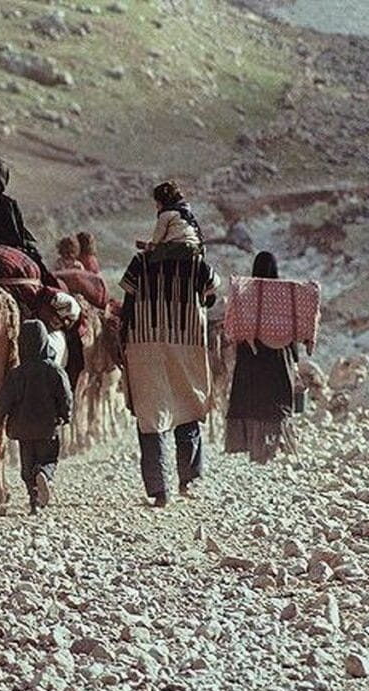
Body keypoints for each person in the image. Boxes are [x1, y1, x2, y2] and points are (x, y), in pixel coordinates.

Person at [120, 181, 219, 508]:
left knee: (151, 415)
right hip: (187, 342)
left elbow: (127, 304)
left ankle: (159, 489)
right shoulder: (198, 265)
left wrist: (123, 340)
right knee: (187, 406)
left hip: (144, 344)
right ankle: (187, 479)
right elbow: (211, 296)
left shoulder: (140, 263)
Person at [0, 320, 73, 513]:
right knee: (48, 459)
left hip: (22, 430)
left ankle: (34, 501)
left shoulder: (16, 374)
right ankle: (44, 474)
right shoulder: (55, 371)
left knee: (27, 467)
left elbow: (2, 401)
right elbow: (66, 396)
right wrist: (65, 416)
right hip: (47, 428)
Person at [224, 251, 299, 463]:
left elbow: (233, 328)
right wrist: (294, 358)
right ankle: (274, 447)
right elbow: (292, 328)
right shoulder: (284, 296)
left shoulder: (246, 294)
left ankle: (252, 446)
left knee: (252, 399)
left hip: (251, 356)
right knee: (276, 401)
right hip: (278, 357)